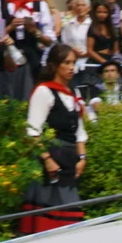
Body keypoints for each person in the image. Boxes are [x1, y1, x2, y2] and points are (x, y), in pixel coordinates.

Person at [24, 43, 88, 232]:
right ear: (54, 65)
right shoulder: (44, 91)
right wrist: (47, 159)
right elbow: (32, 131)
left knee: (70, 214)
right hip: (51, 162)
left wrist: (82, 158)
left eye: (73, 63)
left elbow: (79, 131)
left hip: (69, 160)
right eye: (66, 63)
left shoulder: (73, 93)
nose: (71, 67)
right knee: (50, 217)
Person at [0, 0, 55, 100]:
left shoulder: (40, 5)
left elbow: (49, 41)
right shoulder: (0, 4)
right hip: (8, 61)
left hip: (33, 61)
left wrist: (34, 31)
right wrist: (10, 27)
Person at [86, 0, 117, 66]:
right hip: (96, 62)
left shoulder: (112, 28)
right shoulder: (92, 28)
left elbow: (116, 49)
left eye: (105, 12)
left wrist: (116, 60)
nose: (102, 15)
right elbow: (90, 51)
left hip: (111, 60)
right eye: (99, 12)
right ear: (94, 13)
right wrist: (104, 62)